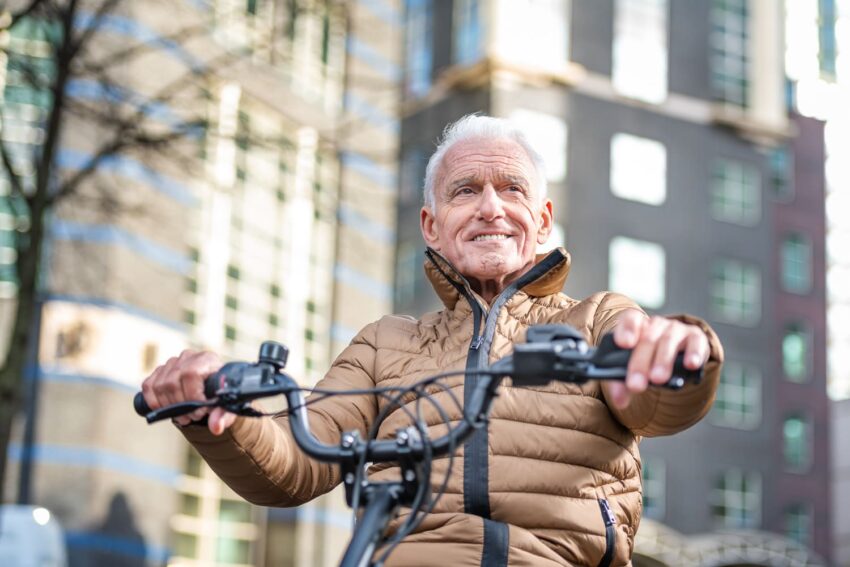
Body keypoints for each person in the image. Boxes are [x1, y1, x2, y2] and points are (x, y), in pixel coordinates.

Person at [141, 115, 723, 567]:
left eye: (511, 189)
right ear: (433, 225)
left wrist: (675, 354)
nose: (491, 207)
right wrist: (219, 414)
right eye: (465, 190)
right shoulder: (383, 344)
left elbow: (651, 395)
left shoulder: (596, 318)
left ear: (542, 221)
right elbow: (297, 460)